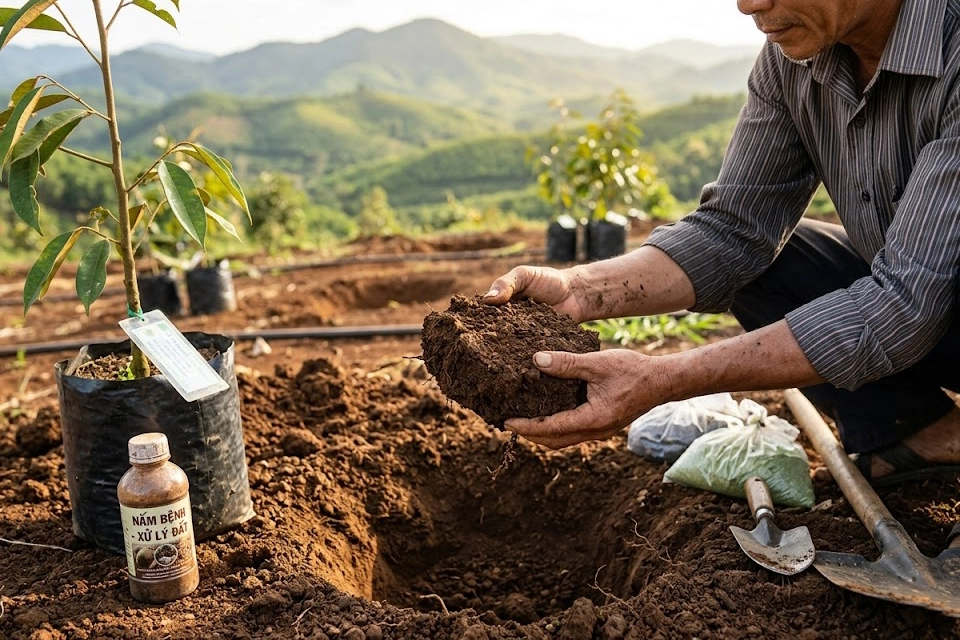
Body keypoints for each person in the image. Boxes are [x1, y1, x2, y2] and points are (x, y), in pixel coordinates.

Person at [483, 0, 960, 484]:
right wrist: (579, 289)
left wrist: (662, 379)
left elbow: (905, 303)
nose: (748, 4)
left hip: (927, 305)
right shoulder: (796, 56)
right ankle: (922, 433)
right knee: (776, 262)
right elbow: (733, 228)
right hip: (929, 309)